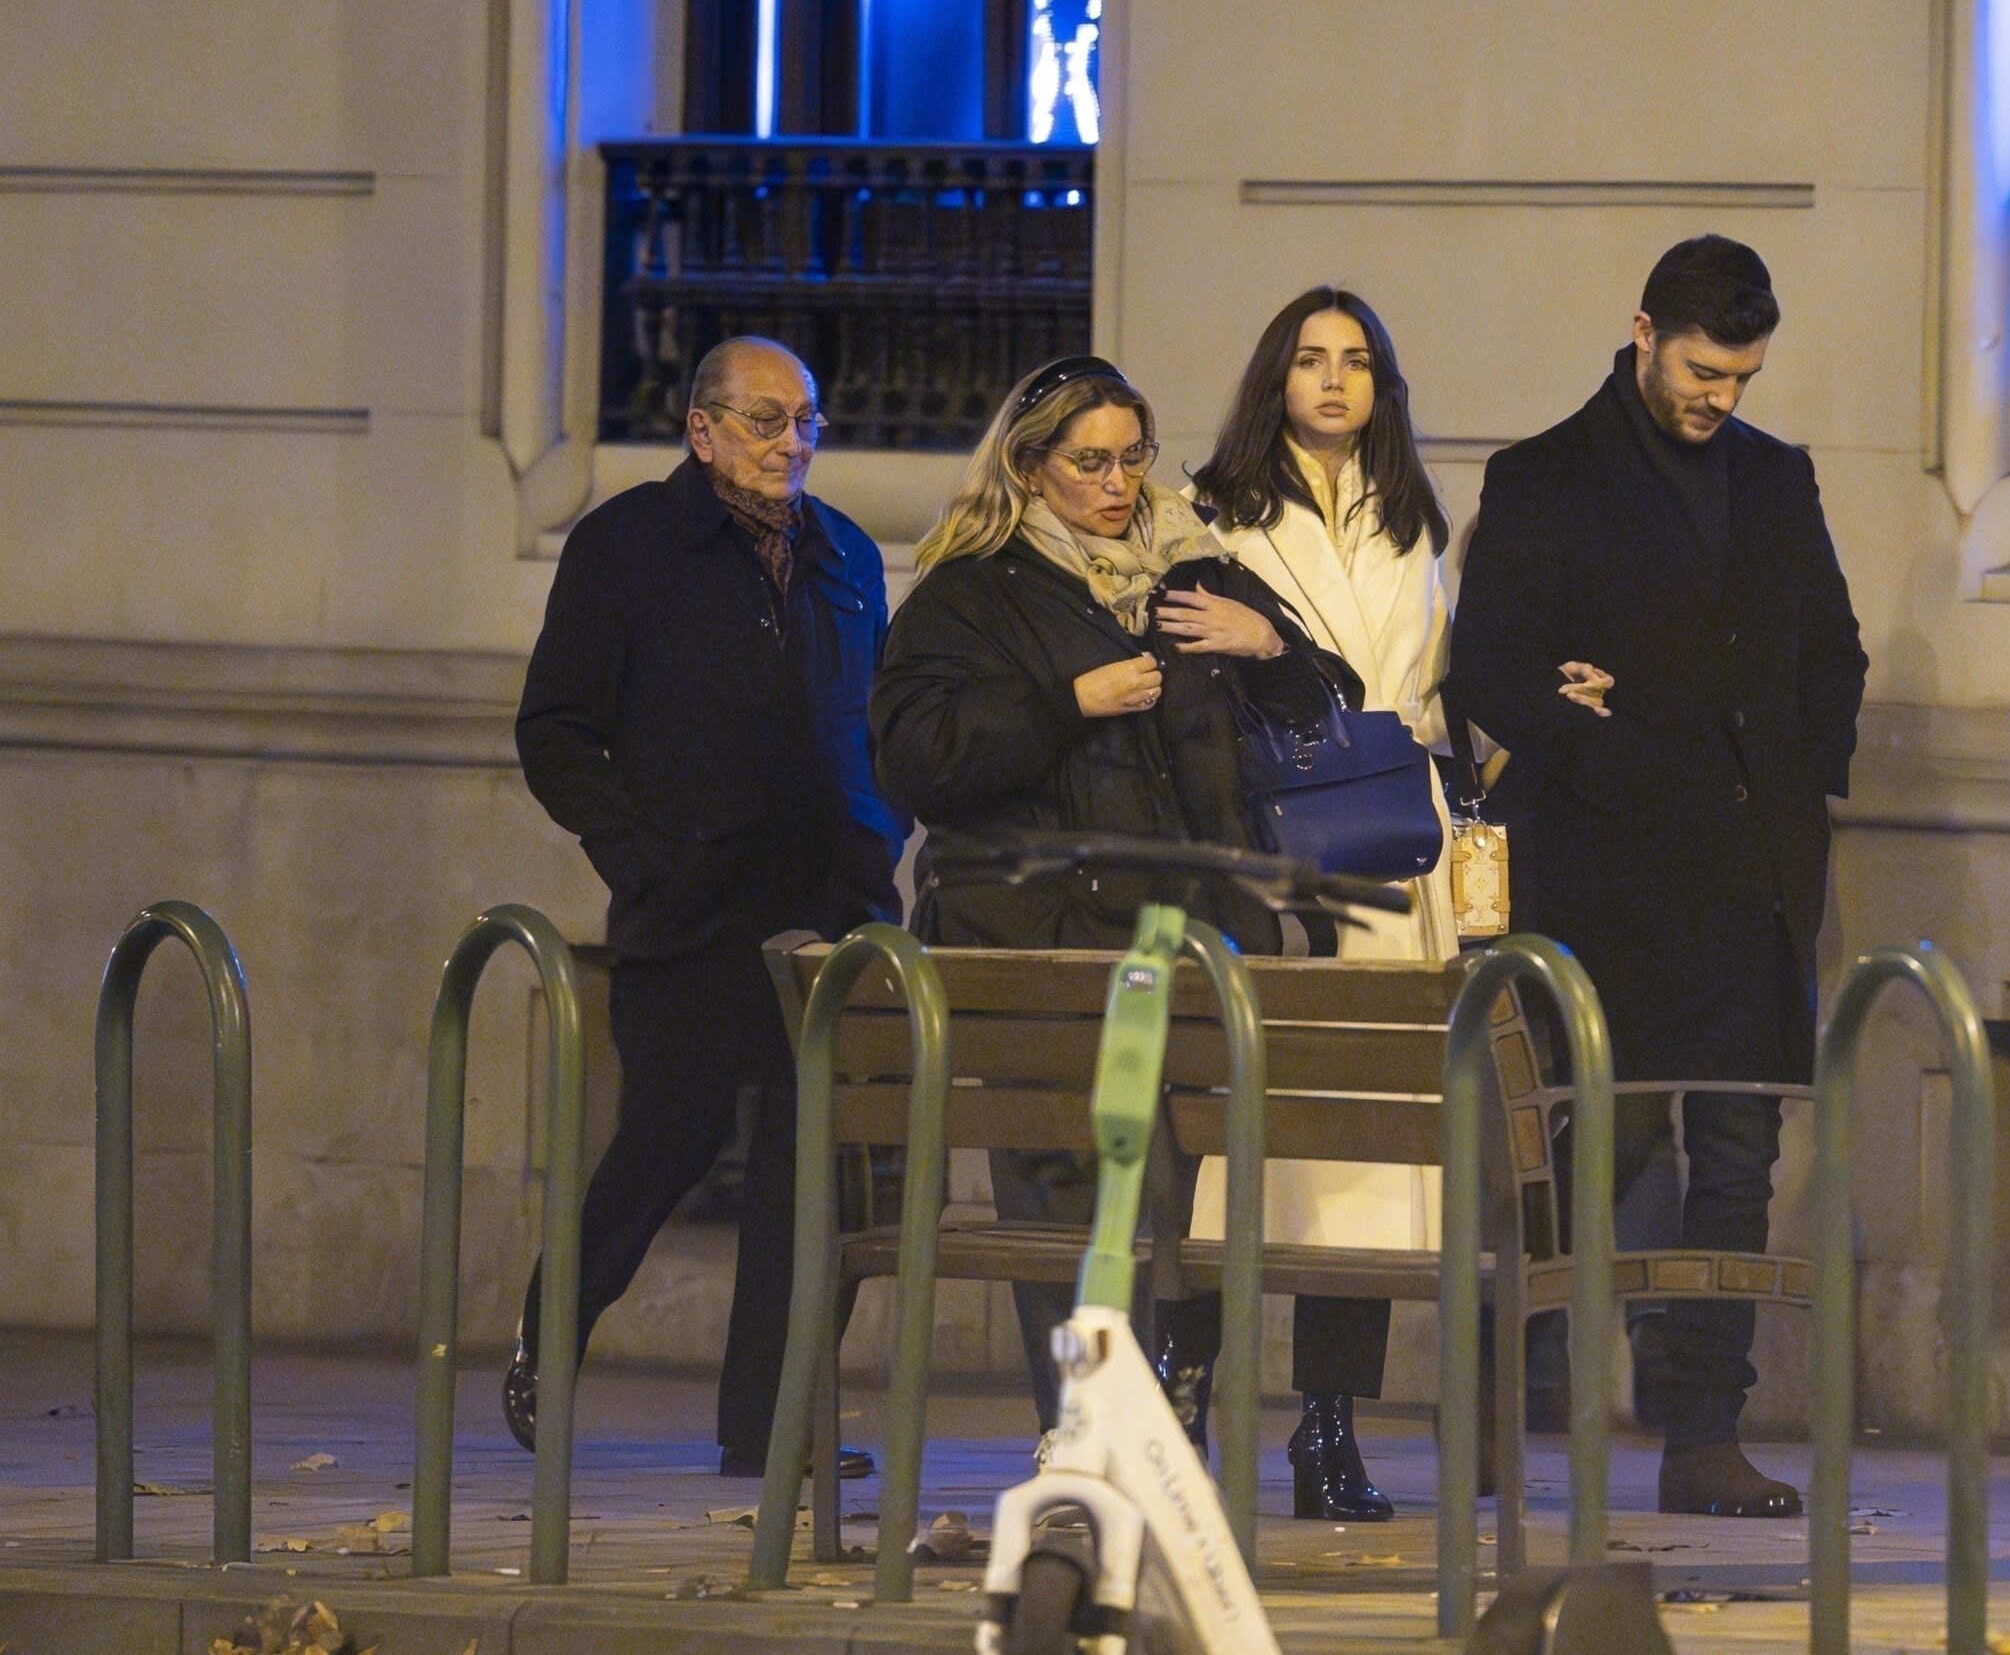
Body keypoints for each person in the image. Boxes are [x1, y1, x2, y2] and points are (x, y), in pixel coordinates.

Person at [870, 354, 1375, 1500]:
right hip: (1036, 949)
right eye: (1087, 461)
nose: (1115, 483)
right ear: (1030, 466)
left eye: (1131, 456)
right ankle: (1086, 1435)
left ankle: (1149, 1438)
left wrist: (1269, 646)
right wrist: (1066, 703)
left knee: (1168, 1206)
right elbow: (913, 761)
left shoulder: (1194, 572)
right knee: (1060, 1204)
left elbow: (1333, 717)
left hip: (1184, 940)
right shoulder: (970, 591)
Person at [1446, 236, 1867, 1517]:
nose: (1718, 397)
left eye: (1739, 377)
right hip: (1608, 878)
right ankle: (1502, 1394)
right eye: (1699, 370)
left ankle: (1701, 1435)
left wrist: (1802, 781)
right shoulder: (1543, 477)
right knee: (1590, 1154)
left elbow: (1830, 651)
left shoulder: (1773, 476)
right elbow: (1491, 672)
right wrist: (1614, 752)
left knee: (1738, 1162)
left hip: (1751, 885)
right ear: (1642, 333)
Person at [513, 336, 907, 1478]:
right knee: (666, 1138)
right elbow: (555, 729)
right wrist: (639, 853)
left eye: (808, 422)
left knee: (804, 1170)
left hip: (823, 901)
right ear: (702, 428)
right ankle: (549, 1337)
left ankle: (769, 1427)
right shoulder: (629, 544)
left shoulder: (842, 553)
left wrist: (878, 835)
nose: (794, 443)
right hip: (690, 901)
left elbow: (867, 717)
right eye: (768, 421)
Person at [1186, 287, 1455, 1521]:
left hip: (1402, 855)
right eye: (1309, 358)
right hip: (1276, 855)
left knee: (1365, 1162)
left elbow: (1432, 689)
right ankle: (1187, 1400)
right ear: (1275, 378)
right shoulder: (1215, 513)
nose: (1334, 380)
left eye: (1356, 360)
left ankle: (1328, 1429)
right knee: (1247, 1151)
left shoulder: (1413, 520)